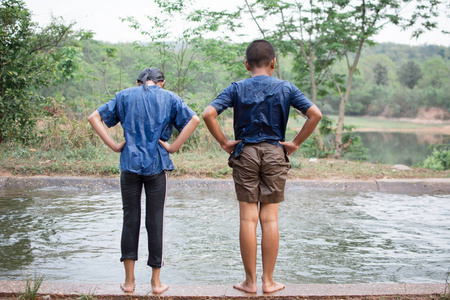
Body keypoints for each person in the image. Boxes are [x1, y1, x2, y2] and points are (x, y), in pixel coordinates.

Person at [202, 40, 322, 294]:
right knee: (269, 219)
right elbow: (315, 114)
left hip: (244, 153)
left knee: (248, 218)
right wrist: (295, 143)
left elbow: (208, 114)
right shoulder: (286, 87)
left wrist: (224, 142)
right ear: (273, 64)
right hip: (275, 153)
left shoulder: (236, 88)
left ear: (247, 64)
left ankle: (250, 282)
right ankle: (268, 282)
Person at [88, 67, 199, 294]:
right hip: (157, 166)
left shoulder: (125, 95)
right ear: (162, 82)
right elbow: (195, 119)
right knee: (155, 221)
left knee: (130, 219)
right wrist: (173, 147)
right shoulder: (169, 97)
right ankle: (156, 283)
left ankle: (129, 282)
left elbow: (94, 117)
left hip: (129, 164)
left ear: (139, 82)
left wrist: (115, 145)